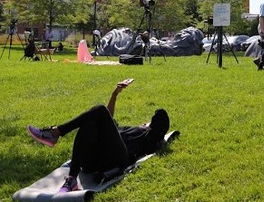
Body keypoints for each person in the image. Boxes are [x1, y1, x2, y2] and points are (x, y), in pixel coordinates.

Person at [26, 79, 170, 193]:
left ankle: (55, 132)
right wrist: (115, 94)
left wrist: (149, 127)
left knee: (100, 110)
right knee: (89, 123)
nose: (144, 122)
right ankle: (72, 178)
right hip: (93, 161)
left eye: (148, 122)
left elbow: (161, 116)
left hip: (118, 159)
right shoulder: (124, 130)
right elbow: (108, 117)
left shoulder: (149, 138)